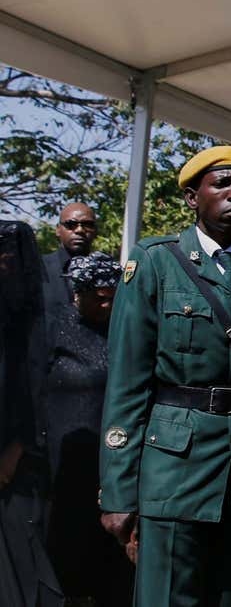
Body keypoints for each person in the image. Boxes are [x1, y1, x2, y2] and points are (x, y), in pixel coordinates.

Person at [99, 145, 231, 606]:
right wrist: (118, 492)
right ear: (193, 197)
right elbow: (127, 383)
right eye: (222, 184)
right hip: (176, 466)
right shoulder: (156, 262)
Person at [41, 253, 133, 606]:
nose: (108, 303)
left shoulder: (126, 330)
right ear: (78, 294)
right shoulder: (54, 330)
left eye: (114, 295)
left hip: (111, 464)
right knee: (68, 560)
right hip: (64, 466)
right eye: (99, 296)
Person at [0, 221, 61, 607]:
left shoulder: (30, 324)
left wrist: (15, 448)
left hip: (16, 460)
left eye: (10, 253)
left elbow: (34, 391)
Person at [40, 203, 100, 320]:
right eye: (71, 224)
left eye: (87, 224)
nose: (79, 230)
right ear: (58, 230)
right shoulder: (38, 268)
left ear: (95, 230)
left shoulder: (107, 273)